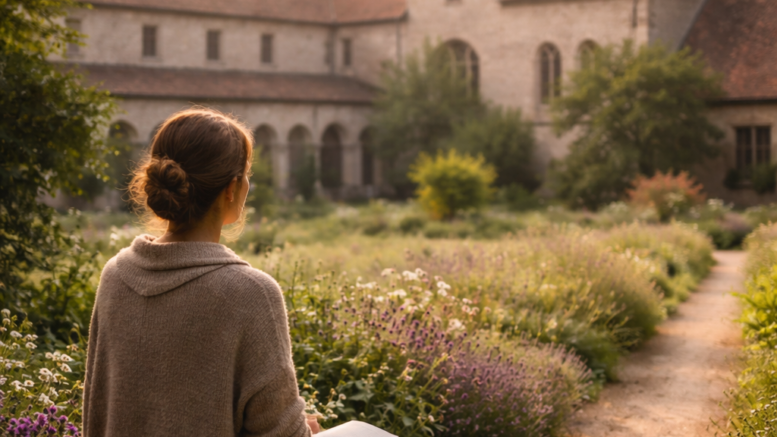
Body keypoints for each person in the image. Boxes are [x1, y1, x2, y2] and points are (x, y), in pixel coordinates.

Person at [82, 108, 320, 436]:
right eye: (246, 173)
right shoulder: (251, 294)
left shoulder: (115, 275)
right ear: (232, 188)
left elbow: (96, 413)